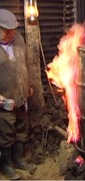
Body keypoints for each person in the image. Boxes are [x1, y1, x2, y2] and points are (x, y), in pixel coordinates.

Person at [0, 9, 36, 180]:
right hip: (4, 99)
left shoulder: (19, 39)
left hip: (21, 95)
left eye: (12, 30)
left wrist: (29, 84)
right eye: (5, 30)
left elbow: (26, 62)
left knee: (22, 128)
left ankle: (19, 159)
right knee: (6, 132)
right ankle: (7, 166)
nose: (10, 34)